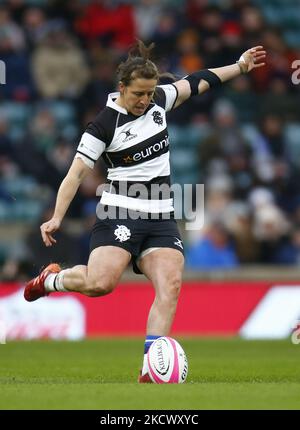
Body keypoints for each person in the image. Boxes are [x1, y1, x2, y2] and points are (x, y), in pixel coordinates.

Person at [24, 40, 266, 382]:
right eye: (139, 93)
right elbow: (75, 173)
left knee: (171, 283)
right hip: (120, 212)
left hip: (161, 216)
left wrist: (239, 66)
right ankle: (51, 280)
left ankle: (150, 367)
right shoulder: (103, 126)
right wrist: (57, 217)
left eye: (150, 93)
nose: (145, 100)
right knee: (99, 284)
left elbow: (197, 81)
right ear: (122, 88)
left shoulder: (158, 102)